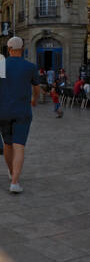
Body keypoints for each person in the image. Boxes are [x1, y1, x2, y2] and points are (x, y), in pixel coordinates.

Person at [0, 38, 35, 193]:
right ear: (22, 49)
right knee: (19, 145)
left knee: (7, 144)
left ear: (8, 49)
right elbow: (37, 87)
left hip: (3, 111)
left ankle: (11, 172)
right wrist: (34, 99)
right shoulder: (30, 66)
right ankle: (15, 182)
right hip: (22, 112)